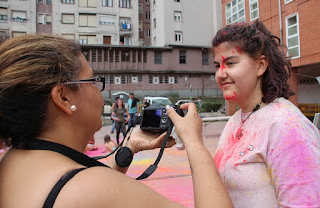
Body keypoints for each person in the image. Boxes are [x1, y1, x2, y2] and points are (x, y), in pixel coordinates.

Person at [0, 34, 233, 208]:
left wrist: (128, 149)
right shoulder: (90, 190)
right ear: (63, 97)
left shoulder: (11, 162)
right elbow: (93, 189)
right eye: (92, 81)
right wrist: (194, 142)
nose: (100, 92)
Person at [212, 20, 320, 207]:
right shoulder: (236, 120)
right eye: (217, 66)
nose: (220, 74)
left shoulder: (287, 126)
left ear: (261, 65)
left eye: (230, 63)